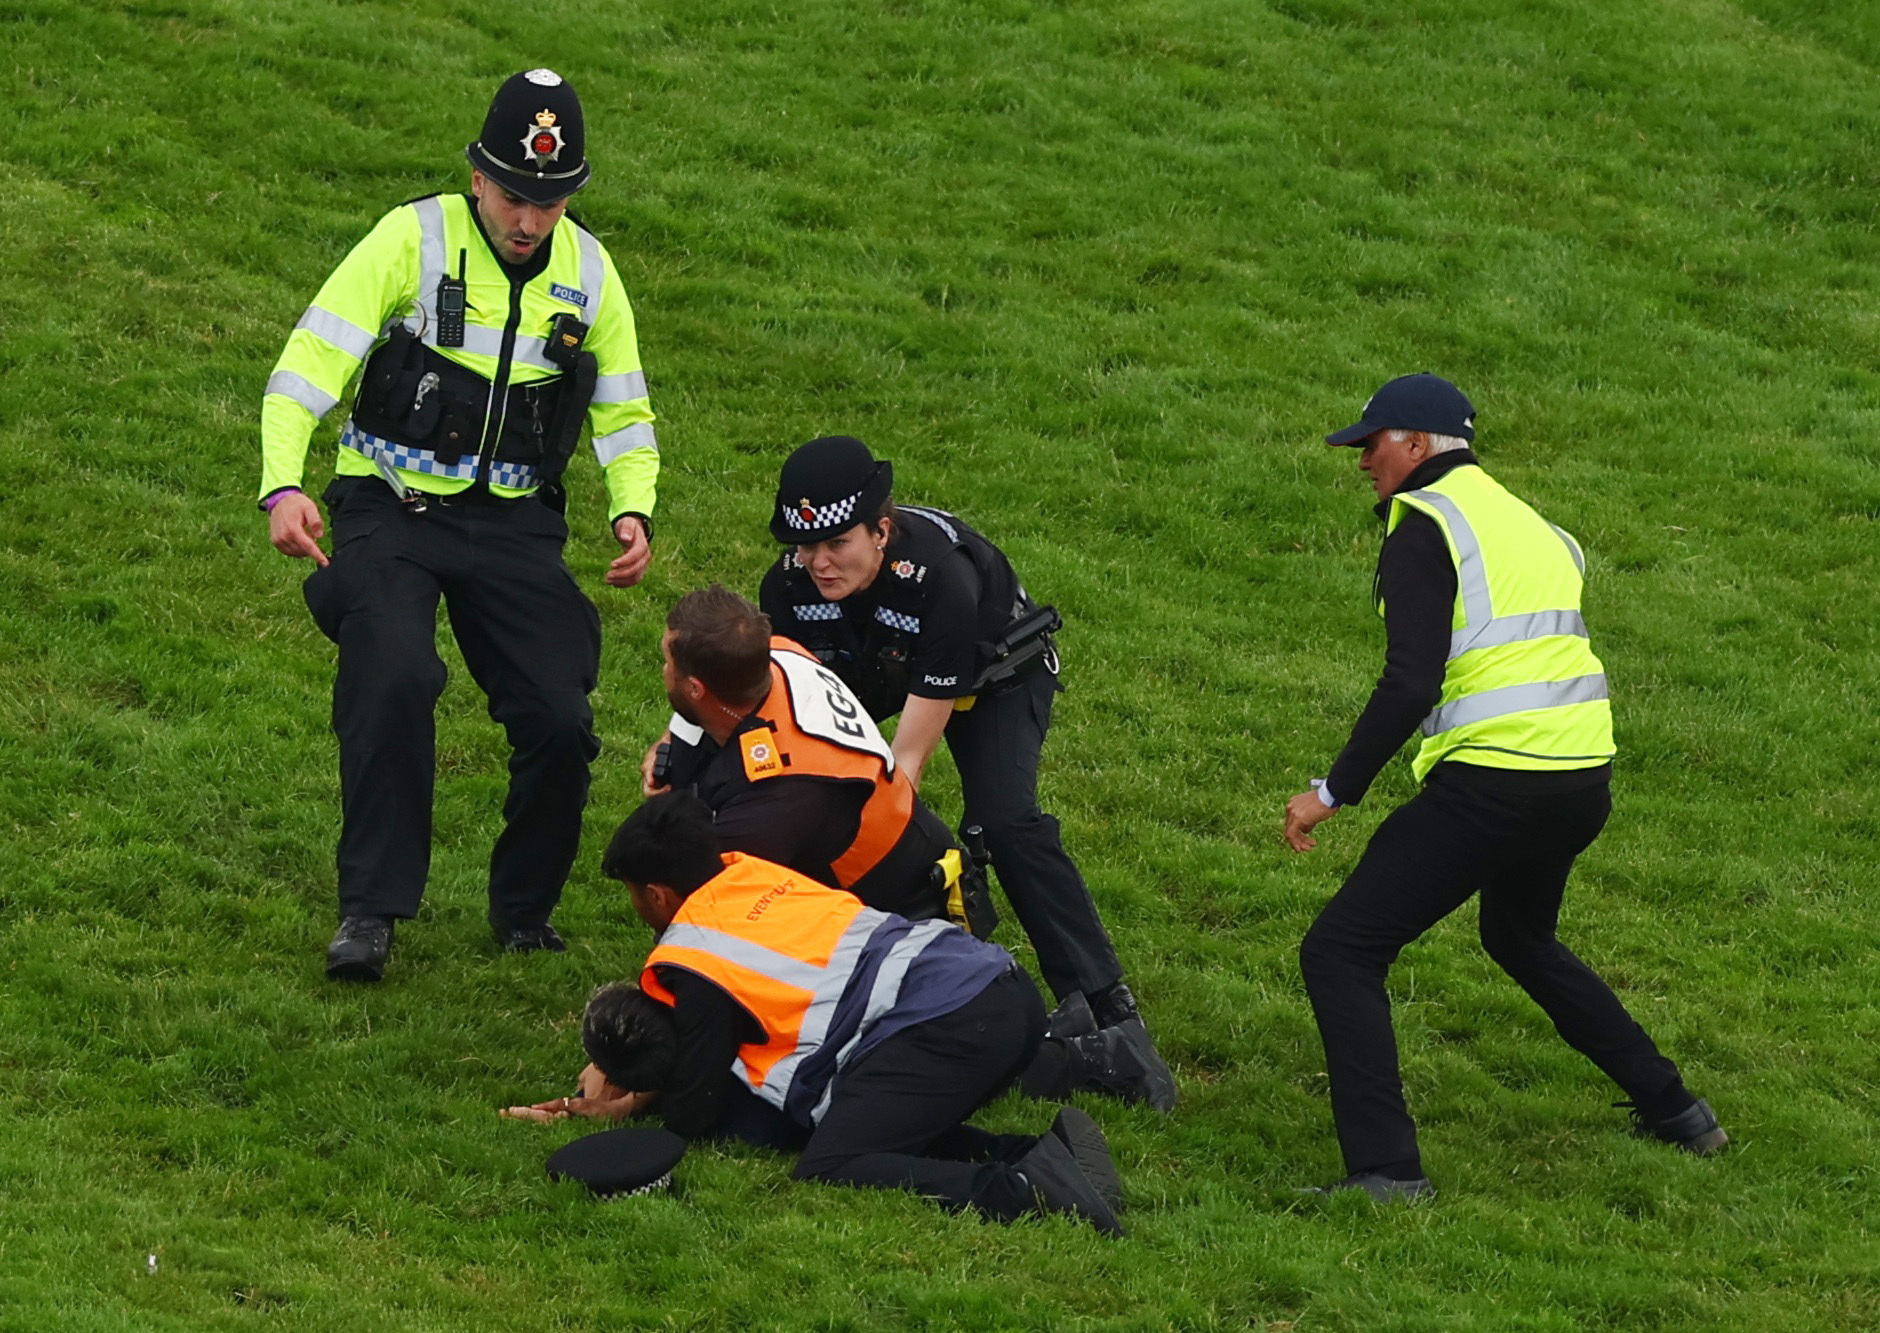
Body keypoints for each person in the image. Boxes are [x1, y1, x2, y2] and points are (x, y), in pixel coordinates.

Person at [1281, 373, 1725, 1202]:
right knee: (1521, 938)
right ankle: (1677, 1110)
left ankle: (1387, 1172)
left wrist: (1332, 792)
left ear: (1418, 444)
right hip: (1580, 777)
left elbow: (1409, 684)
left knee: (1340, 950)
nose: (1362, 461)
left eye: (1371, 444)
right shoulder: (1535, 525)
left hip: (1495, 783)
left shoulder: (1424, 525)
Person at [259, 69, 660, 981]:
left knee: (560, 717)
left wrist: (634, 505)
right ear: (477, 177)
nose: (529, 221)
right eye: (515, 196)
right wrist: (284, 486)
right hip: (389, 505)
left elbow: (627, 410)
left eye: (551, 202)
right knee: (393, 673)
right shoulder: (411, 238)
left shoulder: (592, 275)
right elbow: (308, 360)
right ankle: (371, 909)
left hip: (514, 525)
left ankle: (523, 913)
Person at [756, 435, 1175, 1111]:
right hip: (874, 663)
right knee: (810, 798)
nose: (819, 562)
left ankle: (1107, 1004)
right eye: (806, 546)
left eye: (837, 544)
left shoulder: (941, 578)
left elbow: (908, 762)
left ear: (882, 530)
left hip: (995, 674)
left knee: (1005, 821)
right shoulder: (786, 585)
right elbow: (779, 709)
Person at [546, 790, 1126, 1233]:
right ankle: (1036, 1153)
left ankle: (1027, 1189)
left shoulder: (696, 953)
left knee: (835, 1159)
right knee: (861, 1121)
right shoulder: (755, 873)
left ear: (657, 893)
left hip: (946, 1022)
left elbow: (695, 1105)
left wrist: (623, 1100)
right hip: (997, 987)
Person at [643, 584, 957, 923]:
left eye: (667, 661)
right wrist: (669, 744)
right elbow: (703, 710)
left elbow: (711, 908)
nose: (663, 670)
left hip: (887, 914)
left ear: (695, 687)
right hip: (890, 843)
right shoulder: (771, 654)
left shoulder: (776, 797)